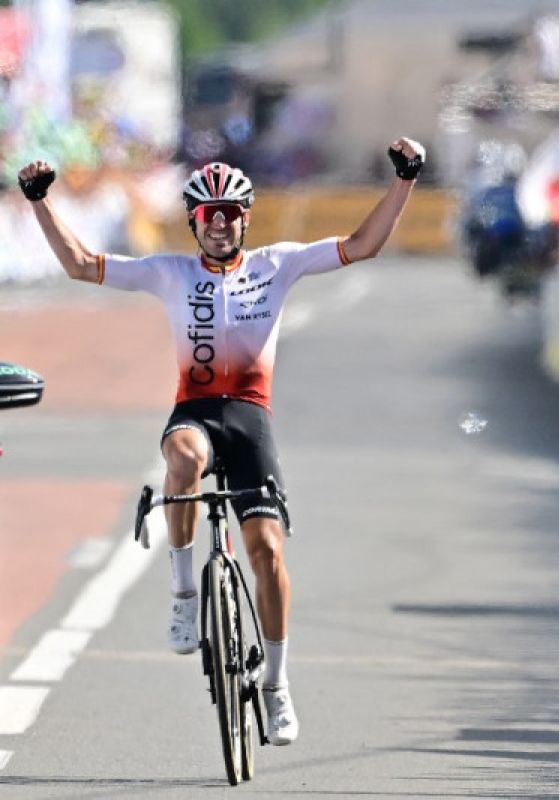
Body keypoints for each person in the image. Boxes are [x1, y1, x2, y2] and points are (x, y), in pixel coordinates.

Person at [16, 136, 426, 746]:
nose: (220, 224)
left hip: (252, 421)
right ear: (194, 221)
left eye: (230, 214)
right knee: (181, 459)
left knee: (266, 554)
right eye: (210, 215)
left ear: (245, 219)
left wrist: (405, 180)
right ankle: (185, 595)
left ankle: (278, 687)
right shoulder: (168, 271)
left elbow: (363, 245)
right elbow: (79, 264)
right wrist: (39, 200)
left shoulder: (277, 264)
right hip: (196, 413)